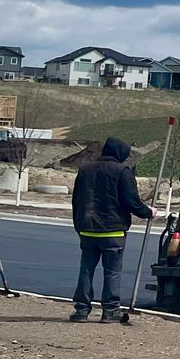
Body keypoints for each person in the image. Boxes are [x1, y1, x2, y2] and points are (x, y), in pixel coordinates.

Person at [71, 137, 153, 322]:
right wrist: (148, 212)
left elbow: (76, 201)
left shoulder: (85, 170)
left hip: (87, 229)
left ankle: (81, 310)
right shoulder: (122, 171)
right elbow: (132, 201)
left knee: (86, 270)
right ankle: (110, 310)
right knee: (112, 272)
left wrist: (78, 225)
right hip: (113, 231)